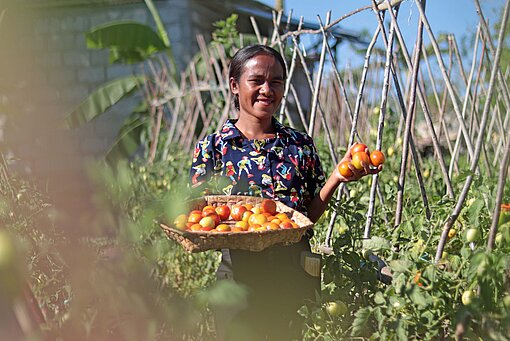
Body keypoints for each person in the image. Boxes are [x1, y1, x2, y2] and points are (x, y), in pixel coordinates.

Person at [189, 44, 381, 340]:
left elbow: (307, 217)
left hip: (293, 274)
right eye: (257, 81)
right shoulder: (214, 149)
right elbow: (201, 218)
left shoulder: (299, 145)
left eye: (276, 81)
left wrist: (334, 180)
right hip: (239, 278)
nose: (267, 89)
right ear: (234, 86)